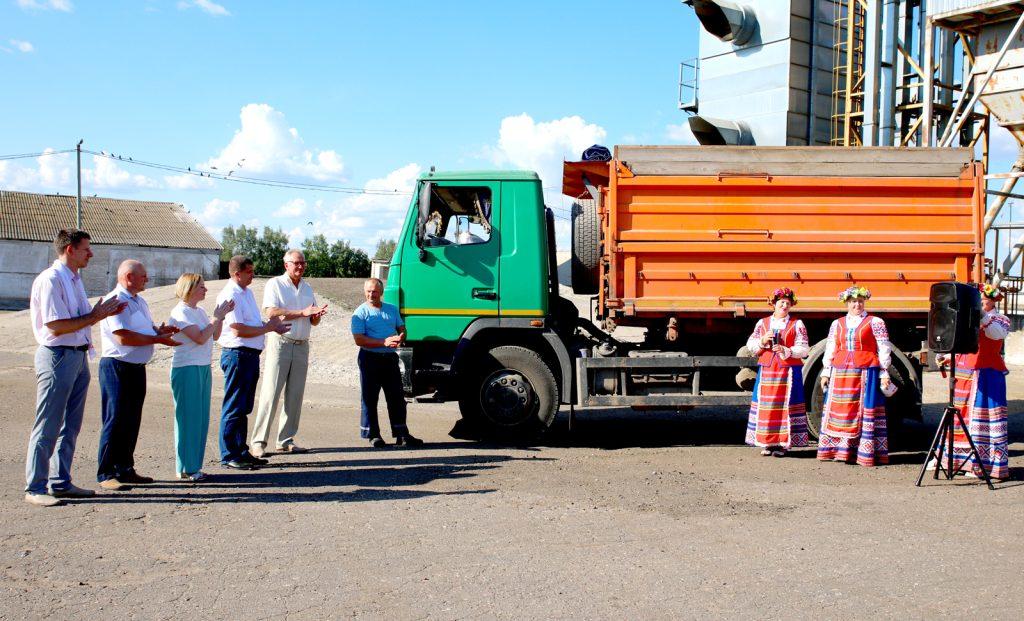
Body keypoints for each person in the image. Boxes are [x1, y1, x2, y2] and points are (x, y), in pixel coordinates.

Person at [24, 229, 127, 507]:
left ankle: (61, 482)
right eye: (86, 249)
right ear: (70, 249)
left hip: (78, 356)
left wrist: (100, 312)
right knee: (48, 423)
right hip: (57, 356)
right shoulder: (51, 279)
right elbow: (56, 326)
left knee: (70, 424)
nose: (90, 253)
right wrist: (96, 316)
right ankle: (35, 487)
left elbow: (79, 318)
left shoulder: (74, 280)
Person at [97, 260, 181, 490]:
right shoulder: (115, 301)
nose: (147, 279)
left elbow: (146, 330)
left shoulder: (139, 301)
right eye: (143, 276)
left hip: (136, 367)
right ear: (128, 277)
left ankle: (125, 468)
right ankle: (106, 473)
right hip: (117, 366)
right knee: (114, 420)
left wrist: (160, 332)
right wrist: (157, 339)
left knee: (131, 420)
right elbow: (123, 337)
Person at [250, 250, 327, 457]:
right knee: (271, 393)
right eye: (296, 263)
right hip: (281, 343)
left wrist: (316, 315)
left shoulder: (307, 287)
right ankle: (258, 442)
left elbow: (313, 320)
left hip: (302, 344)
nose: (300, 267)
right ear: (286, 265)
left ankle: (285, 439)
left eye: (303, 263)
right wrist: (302, 313)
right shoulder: (275, 284)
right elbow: (270, 311)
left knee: (295, 395)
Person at [216, 255, 290, 470]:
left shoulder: (246, 292)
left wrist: (270, 326)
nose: (253, 274)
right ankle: (230, 453)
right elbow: (238, 328)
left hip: (249, 355)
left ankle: (240, 450)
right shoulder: (230, 294)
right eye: (249, 271)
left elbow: (251, 324)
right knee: (234, 405)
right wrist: (267, 328)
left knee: (244, 406)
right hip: (237, 354)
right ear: (236, 273)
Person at [936, 283, 1012, 481]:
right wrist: (946, 356)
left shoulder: (1000, 320)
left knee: (982, 416)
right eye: (980, 300)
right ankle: (956, 461)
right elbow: (964, 343)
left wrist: (982, 317)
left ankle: (983, 463)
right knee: (960, 414)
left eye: (985, 300)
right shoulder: (972, 318)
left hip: (987, 373)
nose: (981, 303)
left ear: (993, 301)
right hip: (965, 371)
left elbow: (996, 334)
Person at [167, 274, 234, 482]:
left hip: (202, 366)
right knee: (188, 418)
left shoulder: (200, 311)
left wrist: (220, 317)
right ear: (189, 288)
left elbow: (213, 335)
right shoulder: (180, 312)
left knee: (201, 418)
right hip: (187, 368)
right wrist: (216, 318)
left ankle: (193, 465)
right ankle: (186, 466)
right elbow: (200, 337)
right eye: (201, 287)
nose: (205, 290)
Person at [817, 286, 892, 467]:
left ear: (864, 302)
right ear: (847, 303)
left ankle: (862, 452)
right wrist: (826, 371)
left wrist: (884, 372)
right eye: (853, 302)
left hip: (866, 371)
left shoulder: (875, 322)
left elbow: (883, 347)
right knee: (842, 411)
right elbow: (831, 347)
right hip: (841, 372)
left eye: (859, 301)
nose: (857, 305)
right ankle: (839, 451)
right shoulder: (837, 323)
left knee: (862, 410)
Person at [351, 278, 422, 447]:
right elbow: (359, 339)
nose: (371, 294)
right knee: (370, 398)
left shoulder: (392, 309)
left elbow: (402, 328)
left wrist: (401, 337)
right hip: (370, 359)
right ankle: (373, 435)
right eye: (368, 291)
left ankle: (401, 434)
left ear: (381, 293)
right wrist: (383, 342)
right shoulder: (360, 313)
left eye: (374, 291)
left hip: (390, 358)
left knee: (396, 397)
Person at [744, 287, 809, 457]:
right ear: (774, 304)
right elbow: (750, 345)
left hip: (788, 370)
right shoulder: (763, 323)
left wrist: (786, 350)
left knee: (785, 406)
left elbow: (804, 349)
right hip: (768, 369)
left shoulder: (797, 324)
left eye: (788, 303)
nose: (785, 306)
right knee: (768, 405)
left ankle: (783, 444)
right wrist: (763, 341)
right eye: (781, 303)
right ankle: (767, 442)